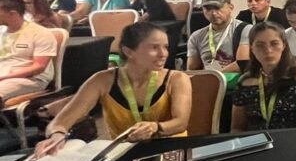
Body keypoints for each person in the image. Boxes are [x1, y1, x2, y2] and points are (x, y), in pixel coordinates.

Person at [36, 22, 191, 150]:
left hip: (171, 148)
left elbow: (181, 123)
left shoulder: (176, 78)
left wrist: (155, 127)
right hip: (125, 152)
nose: (163, 54)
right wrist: (56, 135)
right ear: (128, 51)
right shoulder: (102, 81)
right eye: (154, 47)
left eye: (165, 47)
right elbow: (59, 123)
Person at [231, 23, 296, 131]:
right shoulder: (245, 83)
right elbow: (237, 129)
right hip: (256, 140)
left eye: (274, 44)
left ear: (284, 45)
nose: (268, 50)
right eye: (260, 45)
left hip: (293, 138)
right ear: (252, 48)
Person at [0, 0, 58, 104]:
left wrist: (5, 77)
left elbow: (39, 67)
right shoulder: (1, 31)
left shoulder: (40, 33)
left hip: (29, 79)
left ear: (12, 14)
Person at [187, 0, 250, 72]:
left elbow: (242, 64)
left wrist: (214, 76)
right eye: (208, 9)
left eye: (217, 8)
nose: (213, 13)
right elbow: (192, 69)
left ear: (231, 7)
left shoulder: (245, 29)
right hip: (207, 78)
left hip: (235, 79)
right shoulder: (196, 36)